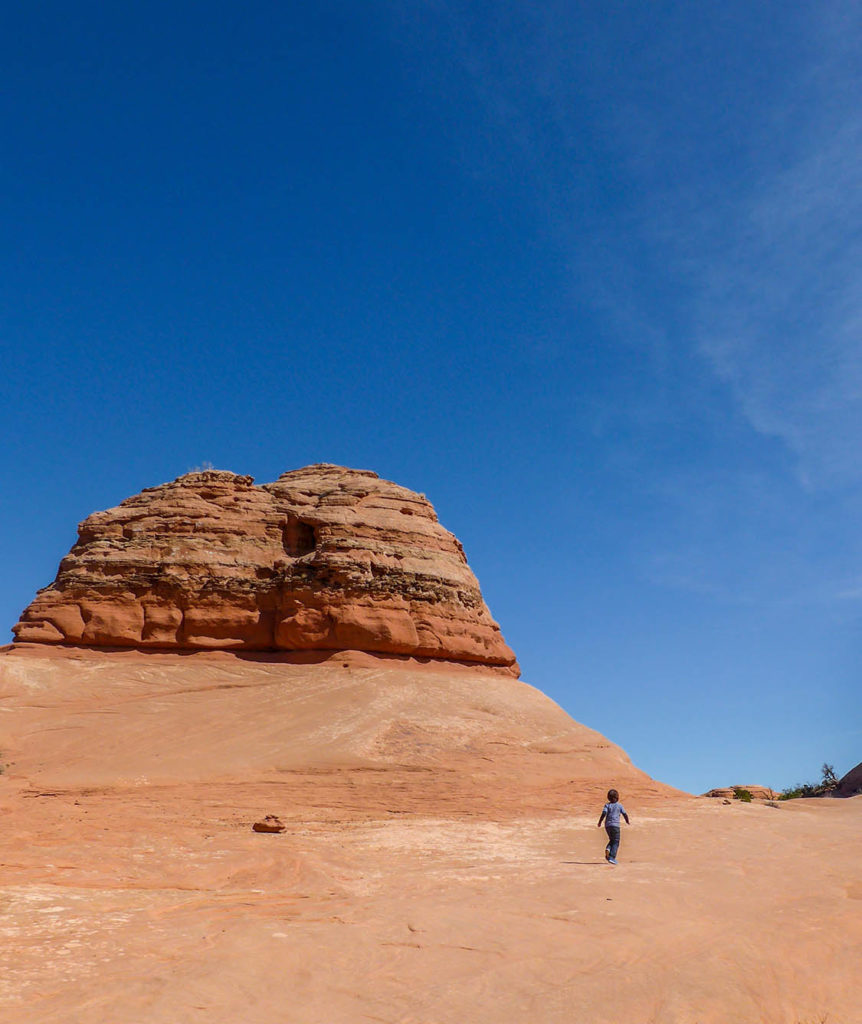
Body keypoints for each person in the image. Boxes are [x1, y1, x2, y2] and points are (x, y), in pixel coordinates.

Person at [597, 788, 630, 865]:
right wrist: (627, 821)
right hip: (615, 826)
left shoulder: (607, 805)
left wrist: (599, 822)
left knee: (612, 839)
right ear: (617, 797)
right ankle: (612, 857)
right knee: (616, 841)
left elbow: (604, 814)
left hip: (607, 825)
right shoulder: (619, 805)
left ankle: (608, 849)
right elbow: (625, 814)